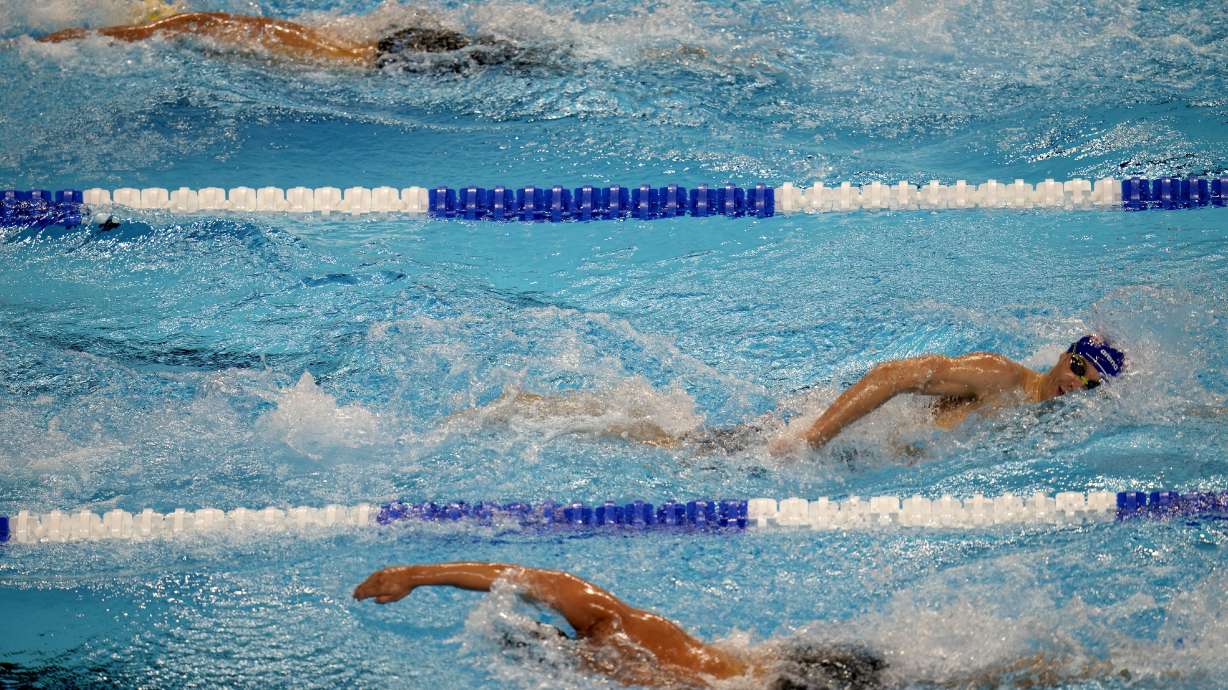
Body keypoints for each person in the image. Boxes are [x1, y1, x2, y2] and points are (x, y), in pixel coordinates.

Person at [353, 561, 1123, 689]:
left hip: (791, 680)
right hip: (794, 666)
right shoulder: (624, 658)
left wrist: (420, 575)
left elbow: (538, 581)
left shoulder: (619, 639)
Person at [454, 335, 1126, 455]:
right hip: (818, 444)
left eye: (1093, 384)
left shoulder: (1039, 413)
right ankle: (530, 411)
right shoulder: (1000, 376)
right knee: (677, 446)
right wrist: (814, 437)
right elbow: (889, 376)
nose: (1080, 387)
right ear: (1063, 355)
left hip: (852, 457)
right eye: (1080, 370)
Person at [37, 10, 541, 71]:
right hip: (389, 49)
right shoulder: (252, 31)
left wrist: (81, 36)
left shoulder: (199, 24)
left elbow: (178, 26)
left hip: (385, 61)